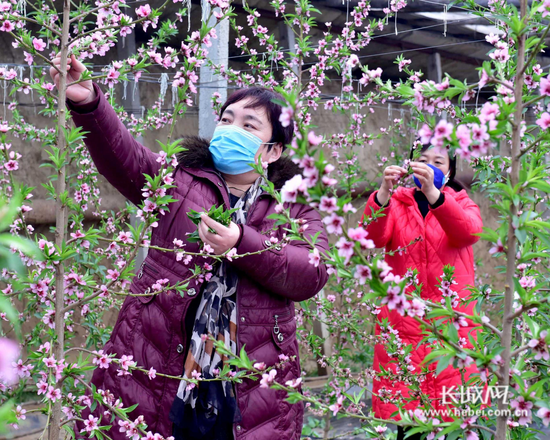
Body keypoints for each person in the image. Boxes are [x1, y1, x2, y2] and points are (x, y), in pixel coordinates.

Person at [50, 55, 329, 440]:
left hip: (251, 383)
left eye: (248, 125)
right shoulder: (177, 180)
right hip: (157, 362)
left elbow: (311, 272)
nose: (231, 130)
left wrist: (241, 242)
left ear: (273, 150)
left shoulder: (294, 206)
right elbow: (122, 155)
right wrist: (89, 104)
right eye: (226, 120)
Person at [362, 143, 483, 440]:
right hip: (405, 325)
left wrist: (434, 194)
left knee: (457, 421)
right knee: (410, 423)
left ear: (450, 170)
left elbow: (468, 232)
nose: (429, 166)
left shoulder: (462, 202)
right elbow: (372, 238)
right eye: (422, 159)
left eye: (438, 162)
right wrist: (383, 192)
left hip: (452, 326)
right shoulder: (397, 202)